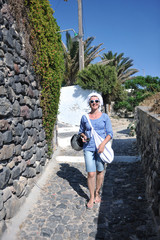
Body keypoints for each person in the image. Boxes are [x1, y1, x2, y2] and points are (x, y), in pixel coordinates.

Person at [79, 92, 113, 209]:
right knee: (91, 173)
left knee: (99, 171)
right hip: (88, 147)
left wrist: (103, 145)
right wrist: (83, 136)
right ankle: (91, 196)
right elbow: (81, 131)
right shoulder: (85, 117)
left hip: (100, 148)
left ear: (100, 103)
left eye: (96, 101)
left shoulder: (105, 117)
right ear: (89, 103)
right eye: (92, 101)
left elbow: (110, 134)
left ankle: (97, 192)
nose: (94, 103)